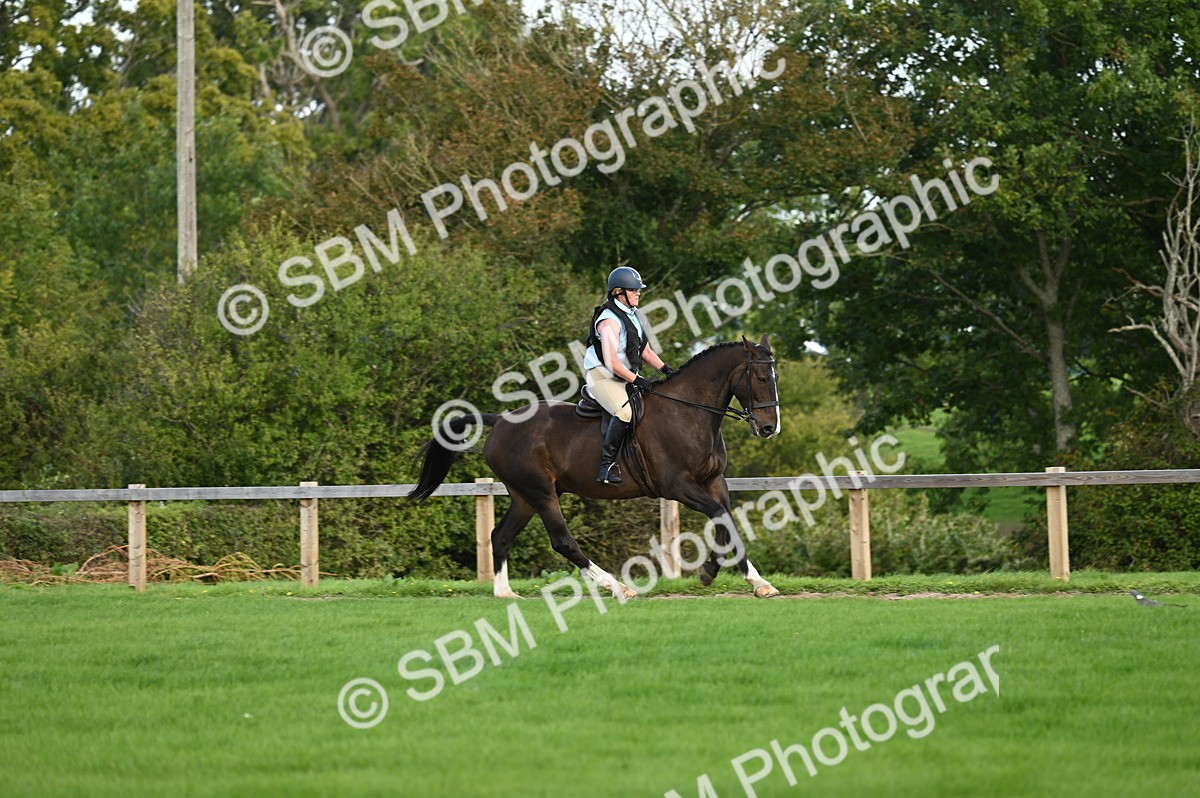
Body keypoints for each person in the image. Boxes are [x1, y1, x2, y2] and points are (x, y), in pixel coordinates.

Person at [583, 266, 675, 484]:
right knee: (625, 413)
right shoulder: (608, 321)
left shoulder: (635, 317)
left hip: (624, 376)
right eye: (634, 290)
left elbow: (646, 351)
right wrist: (637, 379)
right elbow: (611, 362)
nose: (638, 293)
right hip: (602, 376)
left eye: (638, 290)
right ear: (618, 292)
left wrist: (665, 369)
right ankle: (606, 467)